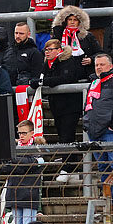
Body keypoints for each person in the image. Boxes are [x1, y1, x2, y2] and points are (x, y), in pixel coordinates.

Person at [41, 40, 84, 183]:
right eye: (46, 49)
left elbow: (66, 78)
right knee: (63, 136)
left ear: (59, 49)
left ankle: (67, 168)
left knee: (67, 136)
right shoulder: (48, 64)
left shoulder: (68, 61)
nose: (47, 52)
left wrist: (43, 82)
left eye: (50, 49)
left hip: (70, 106)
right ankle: (73, 169)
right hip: (57, 106)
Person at [84, 53, 113, 180]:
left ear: (110, 66)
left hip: (111, 132)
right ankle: (109, 198)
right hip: (94, 132)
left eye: (102, 64)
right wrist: (87, 123)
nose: (98, 67)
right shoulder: (93, 83)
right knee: (103, 168)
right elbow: (87, 106)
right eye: (96, 65)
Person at [51, 5, 101, 77]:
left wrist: (91, 59)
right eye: (70, 19)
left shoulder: (87, 36)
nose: (72, 22)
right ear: (65, 21)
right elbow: (48, 52)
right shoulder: (58, 36)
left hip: (84, 72)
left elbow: (99, 53)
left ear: (80, 22)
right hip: (62, 73)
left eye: (75, 20)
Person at [3, 22, 44, 90]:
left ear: (28, 35)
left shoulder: (34, 53)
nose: (18, 36)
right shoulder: (9, 52)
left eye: (21, 33)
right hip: (10, 92)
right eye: (16, 33)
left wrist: (27, 82)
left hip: (27, 92)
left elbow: (37, 76)